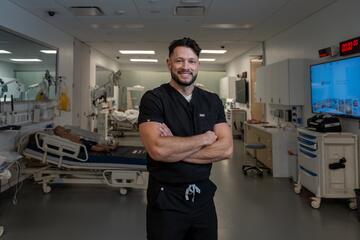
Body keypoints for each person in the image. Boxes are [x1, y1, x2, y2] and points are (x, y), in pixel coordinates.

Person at [138, 37, 233, 240]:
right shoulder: (154, 99)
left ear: (198, 64)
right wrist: (205, 138)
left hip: (203, 199)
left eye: (191, 61)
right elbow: (158, 149)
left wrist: (175, 147)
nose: (185, 67)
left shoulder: (211, 100)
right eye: (179, 60)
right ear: (169, 63)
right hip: (166, 200)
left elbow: (226, 149)